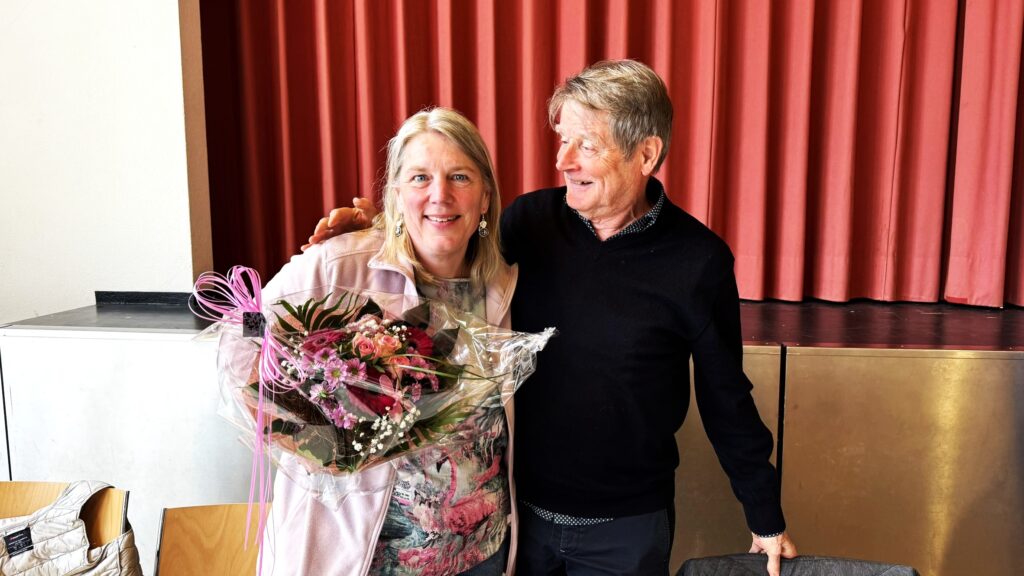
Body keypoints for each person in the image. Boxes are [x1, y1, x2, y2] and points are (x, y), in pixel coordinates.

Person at [306, 60, 798, 576]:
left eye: (586, 145)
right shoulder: (530, 222)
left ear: (646, 155)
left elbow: (726, 397)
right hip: (519, 520)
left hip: (628, 529)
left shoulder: (699, 261)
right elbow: (443, 256)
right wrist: (376, 233)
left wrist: (765, 517)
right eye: (563, 140)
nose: (563, 160)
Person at [260, 107, 519, 576]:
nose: (440, 195)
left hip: (480, 556)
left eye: (459, 177)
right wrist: (312, 429)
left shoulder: (503, 286)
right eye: (420, 178)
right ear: (397, 195)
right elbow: (243, 330)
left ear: (485, 197)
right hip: (363, 560)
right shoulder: (341, 266)